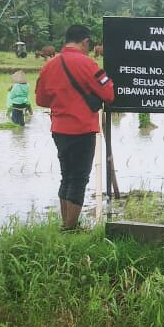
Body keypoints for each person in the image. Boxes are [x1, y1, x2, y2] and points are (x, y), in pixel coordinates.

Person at [35, 25, 115, 231]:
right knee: (79, 179)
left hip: (59, 130)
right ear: (85, 42)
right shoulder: (88, 64)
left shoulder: (49, 66)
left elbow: (41, 100)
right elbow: (109, 95)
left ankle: (66, 224)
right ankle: (70, 229)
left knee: (67, 176)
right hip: (82, 129)